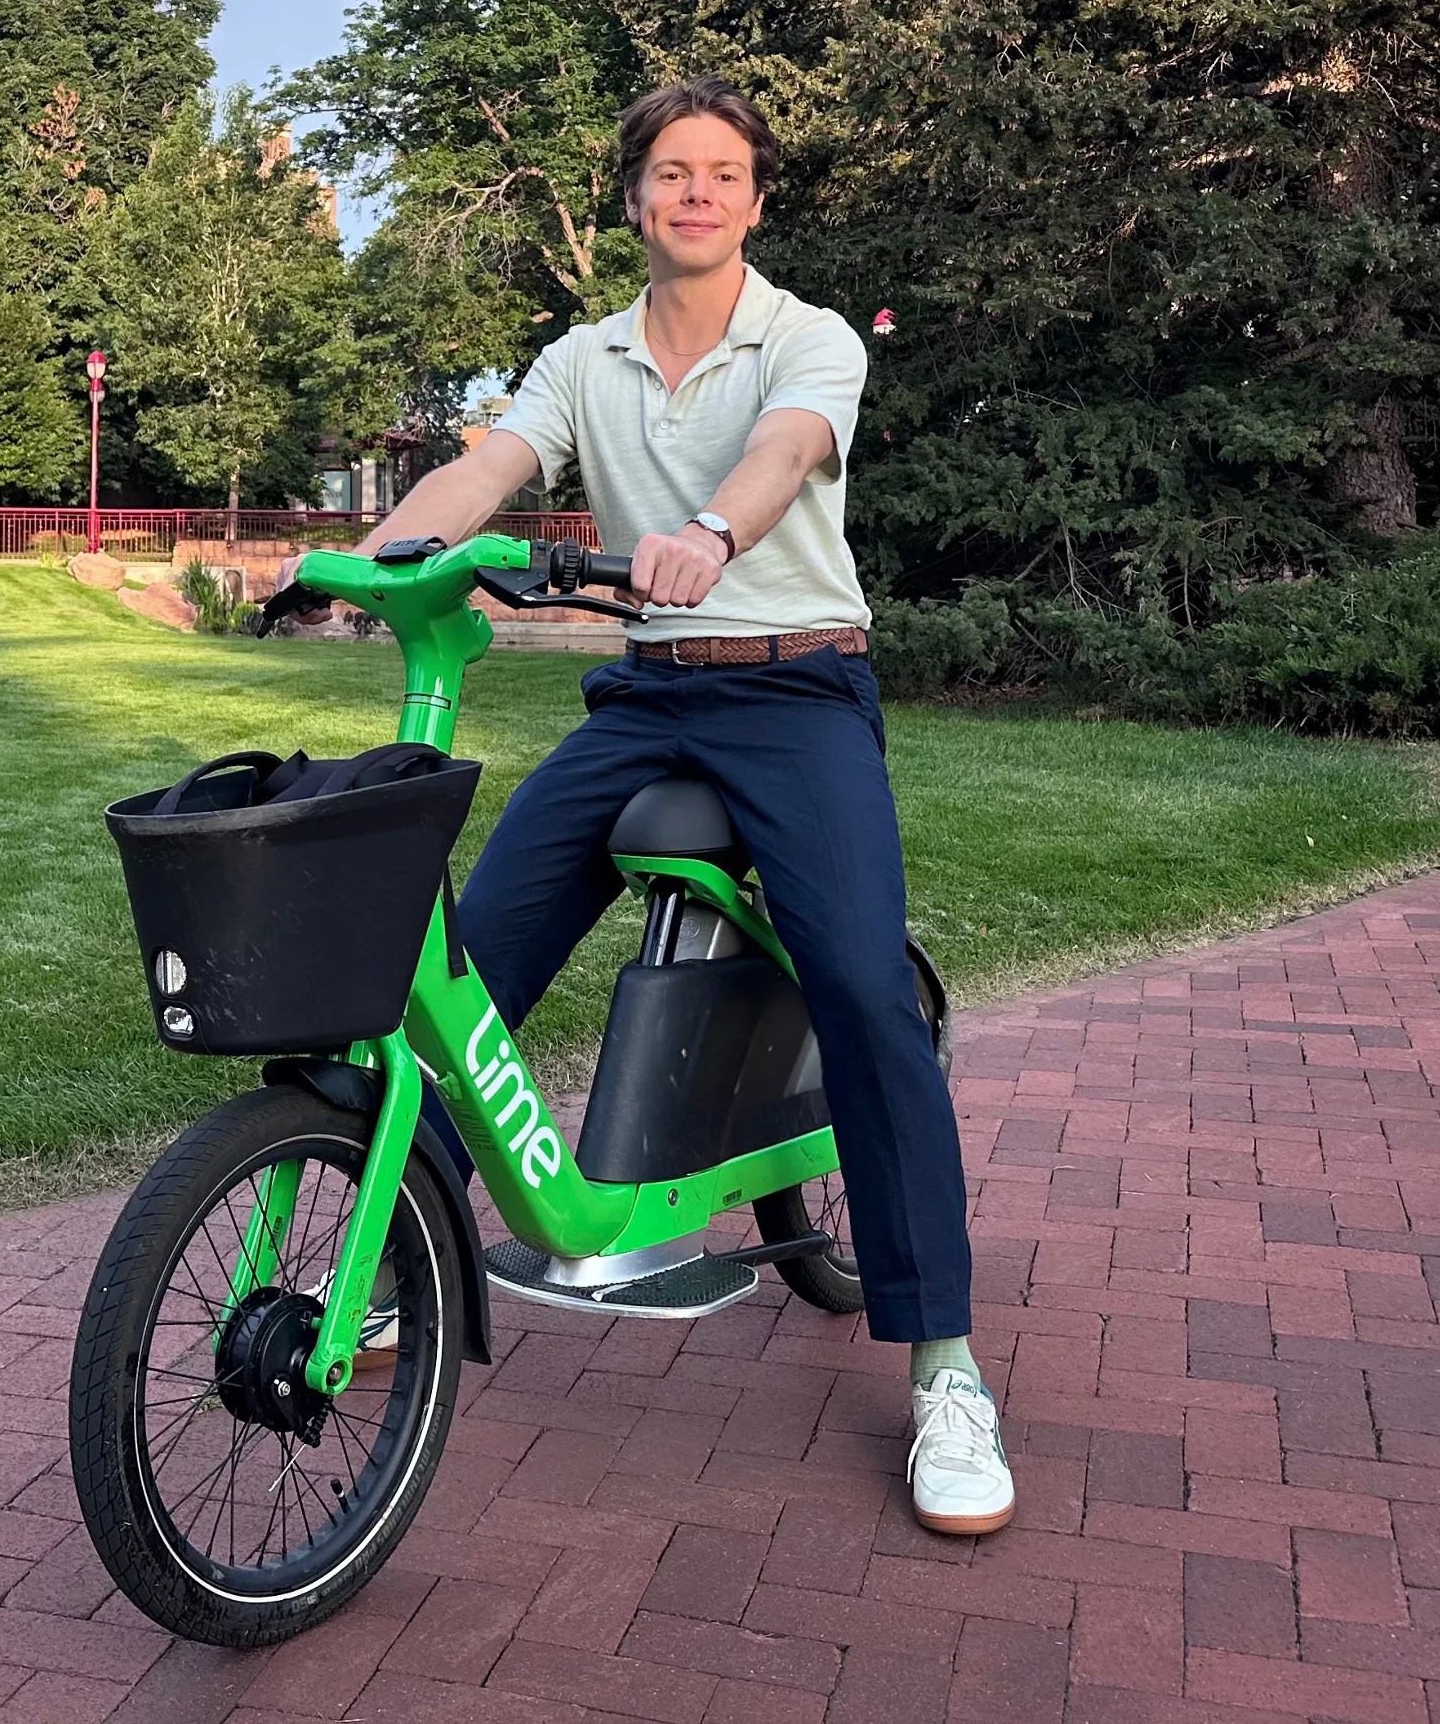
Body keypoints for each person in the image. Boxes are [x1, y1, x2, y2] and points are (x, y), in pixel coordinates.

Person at [289, 77, 1011, 1536]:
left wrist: (706, 533)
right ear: (632, 200)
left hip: (799, 687)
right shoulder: (585, 357)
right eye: (670, 171)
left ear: (753, 201)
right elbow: (488, 465)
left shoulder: (803, 342)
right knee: (454, 974)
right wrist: (364, 561)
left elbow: (784, 454)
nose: (695, 192)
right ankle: (384, 1267)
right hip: (650, 697)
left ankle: (947, 1366)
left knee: (866, 989)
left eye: (722, 173)